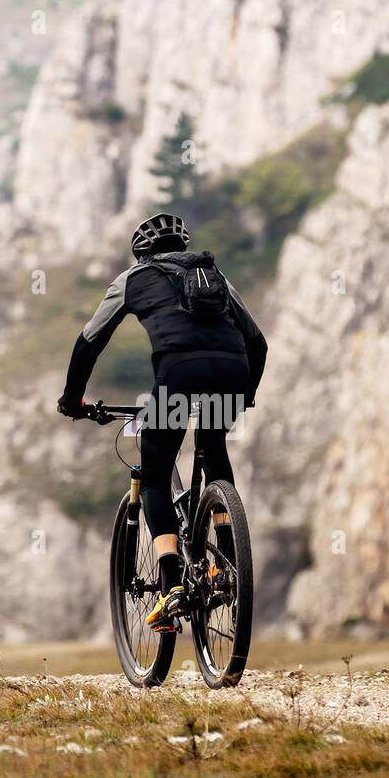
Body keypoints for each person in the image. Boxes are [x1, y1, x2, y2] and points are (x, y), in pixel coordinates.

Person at [57, 213, 267, 631]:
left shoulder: (133, 278)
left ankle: (171, 582)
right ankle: (222, 563)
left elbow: (89, 342)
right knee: (214, 450)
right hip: (231, 373)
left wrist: (73, 399)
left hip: (178, 376)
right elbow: (257, 342)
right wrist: (245, 396)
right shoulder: (215, 276)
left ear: (141, 253)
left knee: (153, 474)